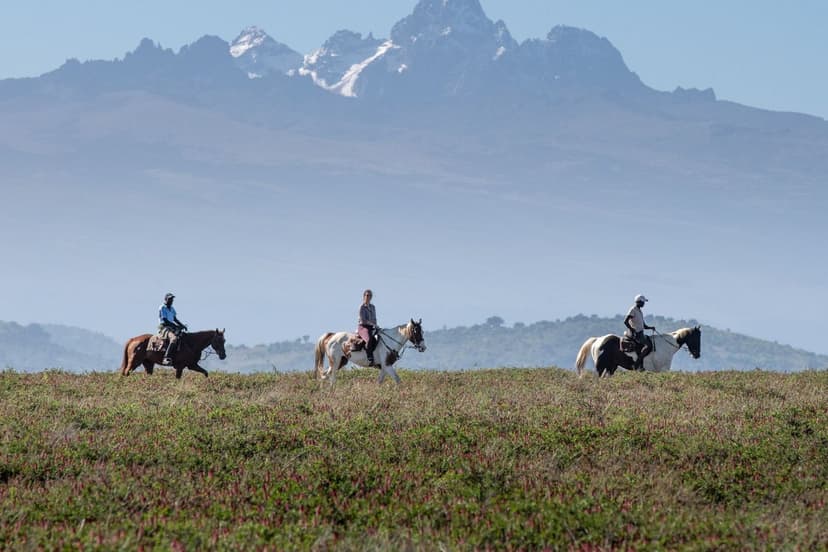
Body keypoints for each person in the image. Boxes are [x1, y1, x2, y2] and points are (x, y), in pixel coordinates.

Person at [624, 294, 656, 370]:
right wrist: (632, 329)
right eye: (643, 302)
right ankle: (637, 363)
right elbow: (625, 321)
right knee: (648, 346)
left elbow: (643, 325)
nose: (644, 304)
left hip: (640, 333)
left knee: (648, 340)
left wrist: (650, 327)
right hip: (636, 334)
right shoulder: (633, 310)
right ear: (639, 302)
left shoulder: (639, 311)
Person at [158, 292, 188, 365]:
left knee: (183, 337)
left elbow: (174, 319)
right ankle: (166, 357)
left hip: (171, 327)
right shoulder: (162, 307)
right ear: (166, 299)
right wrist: (175, 326)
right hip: (164, 327)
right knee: (174, 338)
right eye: (170, 299)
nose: (171, 301)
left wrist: (182, 325)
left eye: (172, 299)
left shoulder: (172, 309)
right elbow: (165, 320)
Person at [357, 289, 378, 366]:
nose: (368, 297)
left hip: (372, 327)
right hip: (363, 327)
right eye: (366, 295)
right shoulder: (362, 307)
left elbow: (375, 318)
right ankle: (369, 357)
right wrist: (372, 323)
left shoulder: (373, 307)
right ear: (364, 296)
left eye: (370, 296)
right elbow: (363, 320)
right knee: (368, 340)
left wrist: (376, 325)